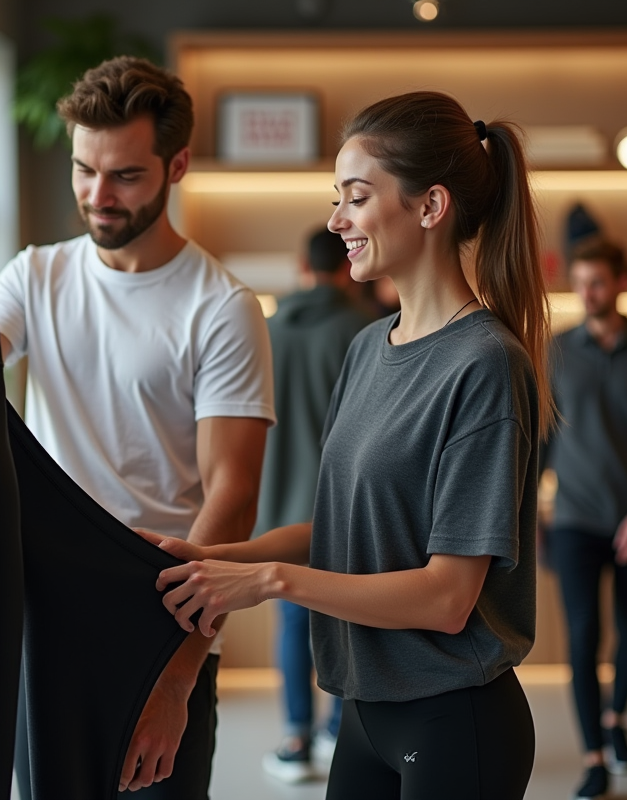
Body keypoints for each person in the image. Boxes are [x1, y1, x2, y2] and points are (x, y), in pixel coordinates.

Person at [139, 90, 553, 799]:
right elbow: (343, 531)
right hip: (367, 710)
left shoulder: (485, 363)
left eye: (356, 198)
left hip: (456, 719)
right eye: (338, 199)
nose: (336, 222)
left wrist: (268, 583)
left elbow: (448, 597)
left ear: (429, 207)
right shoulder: (368, 348)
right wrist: (214, 557)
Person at [0, 56, 276, 799]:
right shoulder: (34, 277)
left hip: (159, 615)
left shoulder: (221, 308)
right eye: (83, 170)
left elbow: (231, 500)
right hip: (43, 613)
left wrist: (176, 676)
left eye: (124, 177)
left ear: (177, 165)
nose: (96, 196)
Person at [544, 237, 627, 800]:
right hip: (574, 519)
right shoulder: (555, 350)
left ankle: (615, 718)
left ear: (622, 282)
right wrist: (526, 512)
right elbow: (543, 437)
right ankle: (594, 757)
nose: (586, 293)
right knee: (582, 636)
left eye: (597, 282)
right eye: (579, 283)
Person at [256, 229, 371, 783]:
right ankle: (334, 732)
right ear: (345, 265)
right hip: (343, 511)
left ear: (302, 265)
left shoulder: (268, 331)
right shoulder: (365, 331)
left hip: (283, 509)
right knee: (347, 619)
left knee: (291, 620)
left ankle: (295, 737)